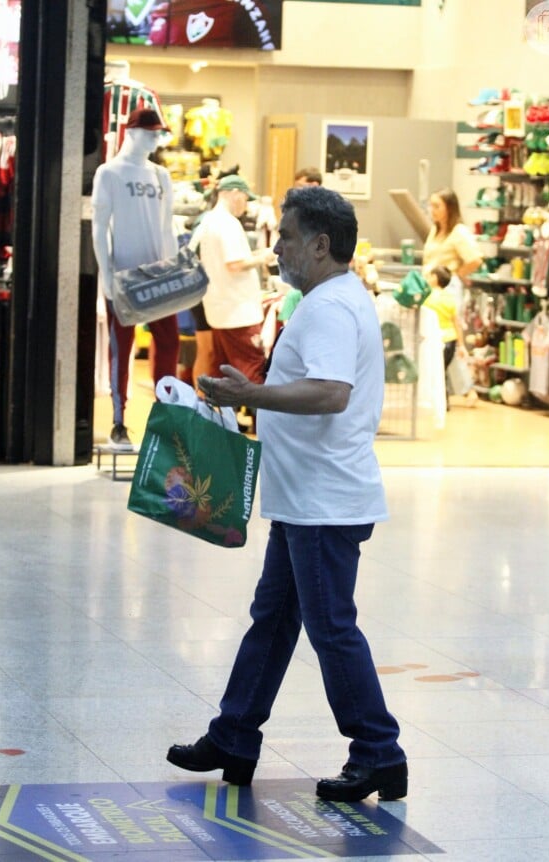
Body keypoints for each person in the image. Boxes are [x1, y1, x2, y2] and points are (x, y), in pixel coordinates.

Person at [167, 186, 408, 804]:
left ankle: (379, 752)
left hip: (325, 503)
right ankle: (235, 736)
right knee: (273, 621)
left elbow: (330, 392)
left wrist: (247, 397)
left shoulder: (329, 306)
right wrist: (250, 390)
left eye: (288, 237)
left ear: (321, 245)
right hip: (307, 498)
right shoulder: (330, 299)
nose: (275, 249)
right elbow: (311, 383)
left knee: (330, 628)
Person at [91, 108, 180, 449]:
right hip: (126, 277)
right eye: (150, 132)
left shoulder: (161, 175)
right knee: (121, 348)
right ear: (131, 132)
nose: (155, 139)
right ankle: (118, 422)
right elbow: (100, 229)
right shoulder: (109, 173)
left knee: (168, 345)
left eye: (158, 134)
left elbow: (167, 227)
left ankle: (166, 419)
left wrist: (175, 269)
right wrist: (107, 273)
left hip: (160, 277)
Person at [196, 173, 276, 386]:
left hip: (220, 308)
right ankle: (262, 419)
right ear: (234, 194)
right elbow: (235, 264)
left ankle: (216, 418)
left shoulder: (209, 221)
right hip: (238, 312)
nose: (246, 205)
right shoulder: (227, 223)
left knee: (220, 370)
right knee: (252, 370)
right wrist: (264, 257)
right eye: (245, 198)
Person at [424, 265, 476, 407]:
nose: (426, 279)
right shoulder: (449, 298)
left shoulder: (427, 296)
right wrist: (461, 344)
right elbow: (456, 323)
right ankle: (444, 401)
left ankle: (438, 402)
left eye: (429, 276)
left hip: (435, 340)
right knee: (443, 372)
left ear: (435, 278)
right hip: (450, 340)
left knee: (433, 373)